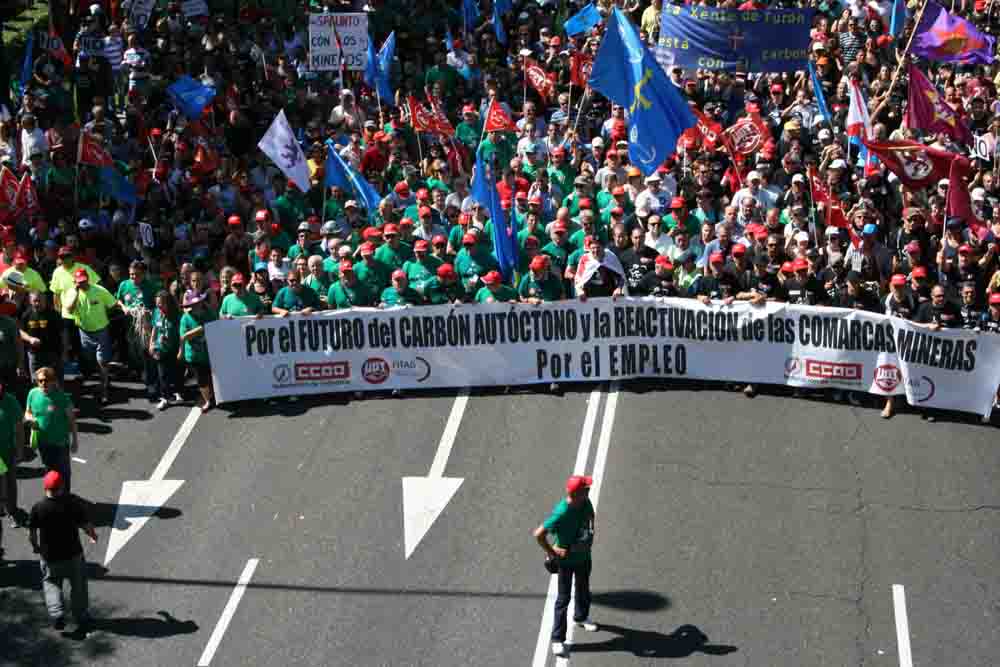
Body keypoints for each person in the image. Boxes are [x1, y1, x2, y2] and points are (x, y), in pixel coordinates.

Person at [534, 475, 599, 658]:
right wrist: (552, 552)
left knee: (583, 589)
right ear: (577, 493)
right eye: (586, 488)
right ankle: (557, 640)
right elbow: (538, 534)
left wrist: (592, 531)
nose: (589, 490)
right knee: (563, 599)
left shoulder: (585, 503)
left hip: (584, 558)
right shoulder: (562, 512)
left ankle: (580, 617)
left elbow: (591, 516)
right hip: (566, 562)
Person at [28, 470, 98, 633]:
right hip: (73, 554)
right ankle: (81, 616)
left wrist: (35, 546)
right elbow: (86, 525)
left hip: (50, 557)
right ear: (62, 487)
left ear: (46, 488)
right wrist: (93, 535)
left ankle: (57, 613)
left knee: (52, 583)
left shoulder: (38, 508)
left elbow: (31, 533)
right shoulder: (72, 504)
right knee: (79, 585)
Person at [64, 268, 117, 404]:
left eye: (84, 281)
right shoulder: (72, 292)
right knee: (90, 360)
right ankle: (103, 380)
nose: (82, 284)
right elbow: (69, 308)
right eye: (79, 282)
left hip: (101, 331)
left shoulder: (98, 290)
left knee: (102, 361)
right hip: (84, 331)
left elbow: (113, 303)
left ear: (88, 279)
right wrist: (75, 292)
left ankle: (104, 390)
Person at [24, 367, 78, 492]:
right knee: (49, 471)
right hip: (43, 442)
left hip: (60, 443)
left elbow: (72, 420)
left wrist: (75, 440)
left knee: (64, 473)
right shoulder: (32, 394)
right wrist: (29, 419)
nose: (43, 383)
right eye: (40, 381)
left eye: (46, 380)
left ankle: (65, 497)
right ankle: (52, 496)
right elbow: (28, 412)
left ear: (53, 381)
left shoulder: (63, 398)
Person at [179, 290, 216, 413]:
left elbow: (216, 325)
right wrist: (202, 328)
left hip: (210, 352)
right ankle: (207, 401)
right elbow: (183, 336)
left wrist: (201, 328)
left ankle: (213, 395)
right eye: (194, 304)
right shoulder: (185, 318)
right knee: (201, 380)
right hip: (194, 355)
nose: (197, 305)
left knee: (211, 376)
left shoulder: (209, 313)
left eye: (199, 303)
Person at [148, 290, 183, 411]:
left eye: (161, 303)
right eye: (157, 303)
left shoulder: (176, 315)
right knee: (162, 374)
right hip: (160, 348)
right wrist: (151, 343)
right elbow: (154, 328)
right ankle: (165, 398)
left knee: (176, 372)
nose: (159, 306)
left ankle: (178, 391)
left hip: (173, 348)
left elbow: (181, 334)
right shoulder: (156, 312)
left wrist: (180, 349)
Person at [0, 381, 24, 546]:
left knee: (9, 481)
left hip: (6, 452)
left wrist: (20, 450)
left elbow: (19, 428)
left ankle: (12, 510)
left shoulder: (10, 402)